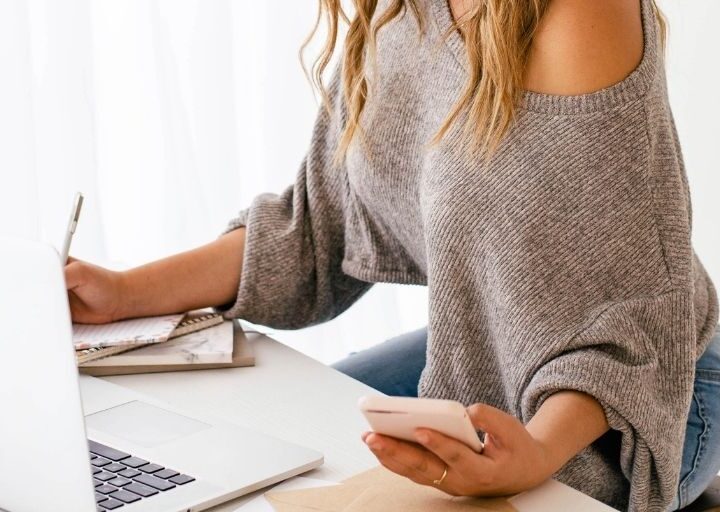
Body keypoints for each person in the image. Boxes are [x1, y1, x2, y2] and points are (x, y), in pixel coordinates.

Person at [65, 0, 720, 510]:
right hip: (482, 361)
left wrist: (539, 453)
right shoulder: (401, 15)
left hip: (645, 402)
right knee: (267, 448)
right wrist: (118, 294)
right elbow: (320, 227)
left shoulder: (577, 14)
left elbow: (641, 314)